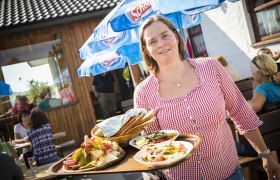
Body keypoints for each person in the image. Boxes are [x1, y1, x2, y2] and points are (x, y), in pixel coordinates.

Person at [134, 15, 280, 179]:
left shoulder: (211, 67)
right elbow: (152, 145)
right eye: (152, 41)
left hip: (228, 172)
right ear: (146, 49)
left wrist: (265, 154)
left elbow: (241, 111)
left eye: (164, 35)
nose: (160, 44)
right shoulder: (143, 93)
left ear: (176, 36)